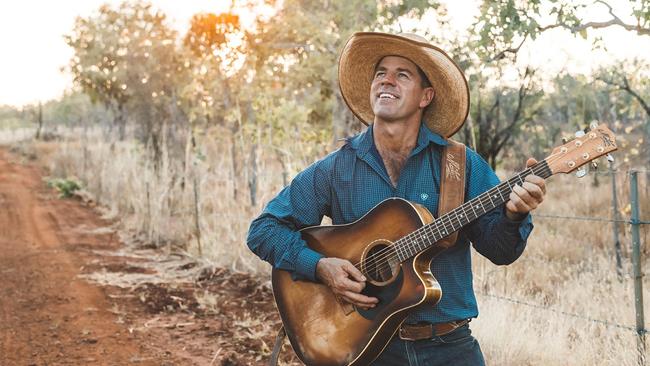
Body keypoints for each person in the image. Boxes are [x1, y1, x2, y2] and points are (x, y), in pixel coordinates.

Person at [247, 32, 546, 365]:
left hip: (449, 347)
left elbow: (501, 251)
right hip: (365, 347)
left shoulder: (459, 166)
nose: (386, 80)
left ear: (425, 96)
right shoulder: (336, 167)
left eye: (402, 75)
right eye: (380, 73)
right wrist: (319, 267)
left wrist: (515, 215)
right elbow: (263, 230)